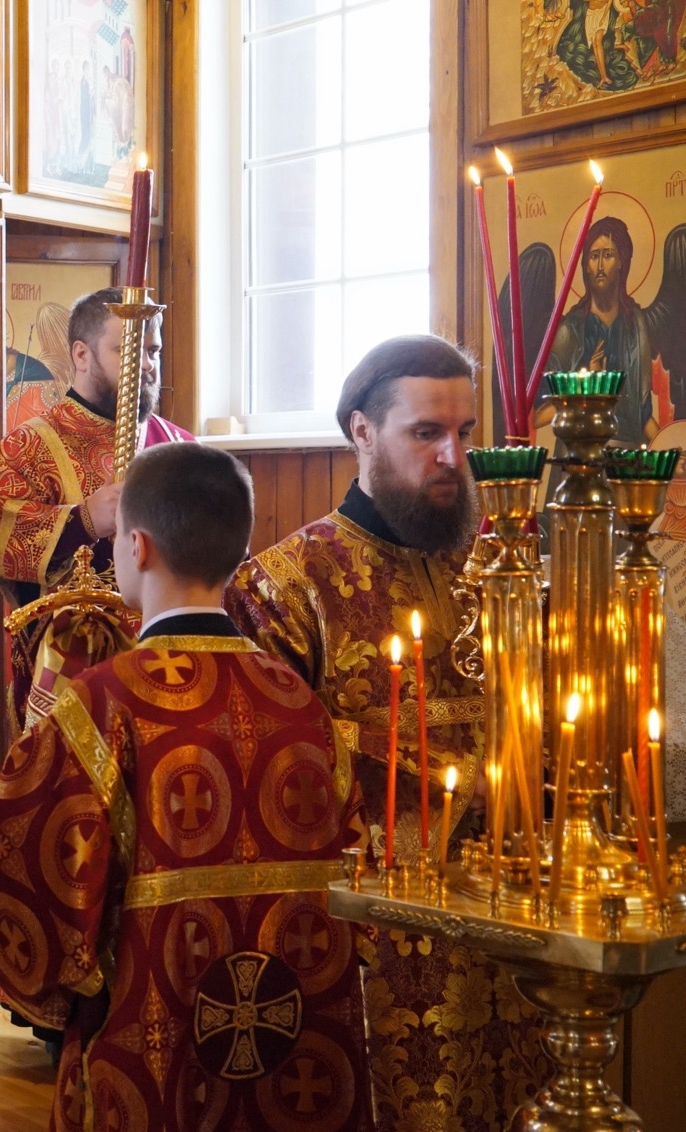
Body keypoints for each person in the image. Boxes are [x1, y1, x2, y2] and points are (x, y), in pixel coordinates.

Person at [0, 443, 370, 1131]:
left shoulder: (98, 703)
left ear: (136, 546)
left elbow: (26, 881)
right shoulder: (301, 704)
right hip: (296, 1039)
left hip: (148, 1044)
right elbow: (358, 868)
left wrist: (71, 993)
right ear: (237, 554)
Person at [228, 334, 549, 1131]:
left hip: (510, 924)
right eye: (425, 433)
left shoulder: (496, 572)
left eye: (464, 433)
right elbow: (269, 781)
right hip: (376, 942)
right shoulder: (285, 586)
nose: (452, 457)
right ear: (361, 431)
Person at [0, 293, 193, 729]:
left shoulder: (181, 448)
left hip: (170, 669)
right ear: (81, 354)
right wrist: (81, 520)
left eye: (153, 352)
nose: (146, 365)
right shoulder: (29, 446)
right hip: (68, 680)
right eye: (128, 351)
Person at [546, 216, 656, 441]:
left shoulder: (636, 326)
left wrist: (671, 448)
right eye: (593, 256)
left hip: (629, 453)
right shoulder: (570, 330)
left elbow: (643, 414)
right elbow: (540, 415)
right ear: (585, 266)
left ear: (621, 261)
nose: (599, 266)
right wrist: (586, 388)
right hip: (580, 451)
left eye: (608, 255)